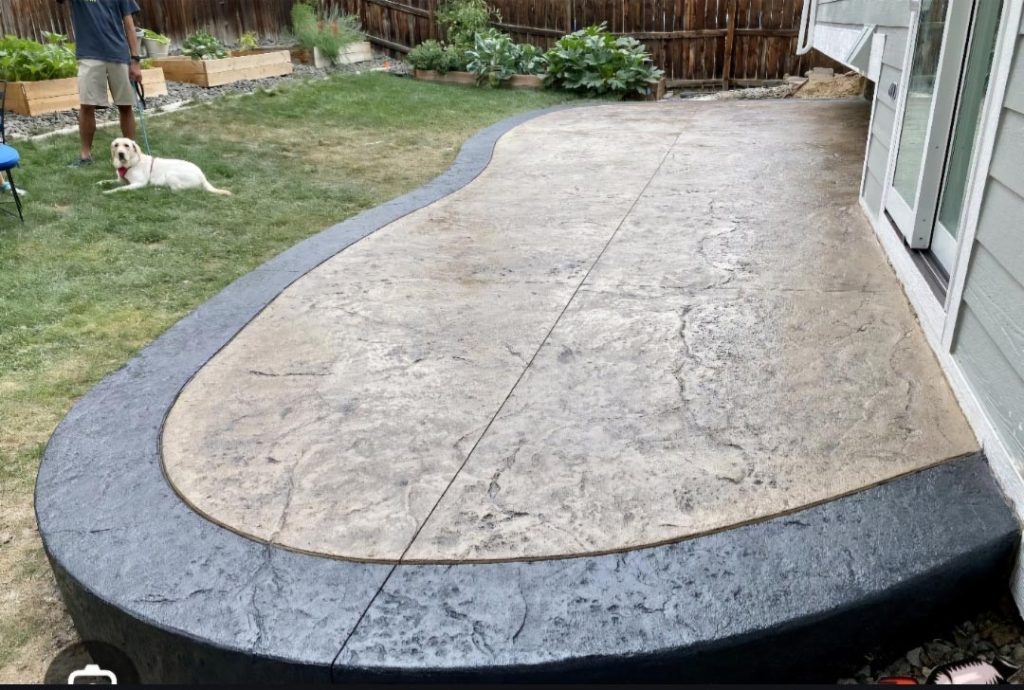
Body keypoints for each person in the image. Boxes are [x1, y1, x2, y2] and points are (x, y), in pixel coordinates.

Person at [57, 0, 144, 167]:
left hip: (118, 53)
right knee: (87, 105)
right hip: (89, 55)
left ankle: (131, 154)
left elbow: (129, 25)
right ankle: (85, 156)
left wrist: (135, 60)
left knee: (125, 105)